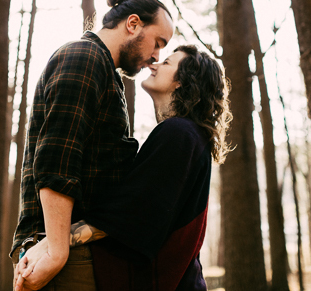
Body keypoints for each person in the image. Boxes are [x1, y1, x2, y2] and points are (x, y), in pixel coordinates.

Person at [16, 44, 231, 291]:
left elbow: (129, 215)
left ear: (182, 82)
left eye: (167, 63)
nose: (154, 63)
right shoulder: (187, 135)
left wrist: (51, 244)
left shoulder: (180, 133)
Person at [11, 0, 175, 290]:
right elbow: (56, 160)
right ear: (133, 24)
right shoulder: (84, 57)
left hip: (73, 249)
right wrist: (57, 251)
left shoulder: (103, 70)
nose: (156, 57)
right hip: (60, 251)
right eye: (158, 42)